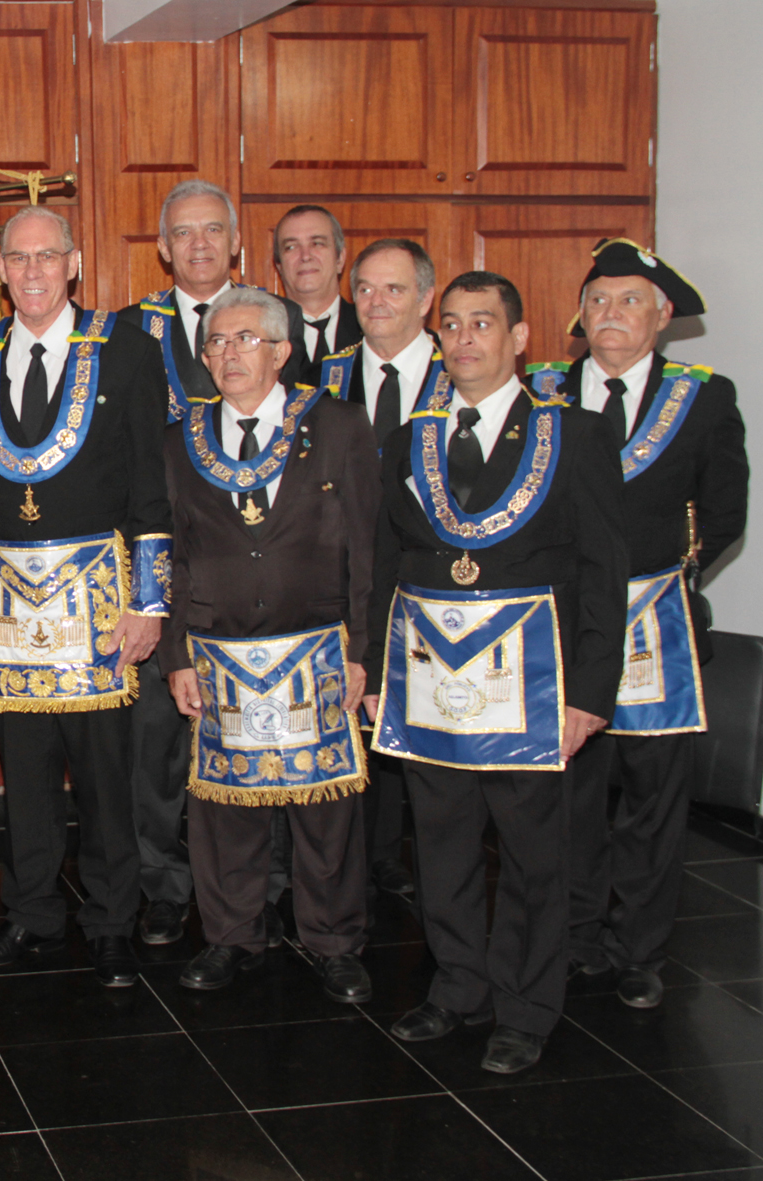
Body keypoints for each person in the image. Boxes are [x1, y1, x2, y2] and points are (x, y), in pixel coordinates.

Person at [364, 271, 626, 1075]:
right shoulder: (408, 440)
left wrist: (591, 692)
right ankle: (458, 986)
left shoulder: (574, 435)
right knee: (440, 845)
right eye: (451, 324)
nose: (464, 337)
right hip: (430, 678)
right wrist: (375, 672)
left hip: (533, 686)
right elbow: (385, 564)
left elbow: (604, 570)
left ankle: (525, 1006)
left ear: (519, 338)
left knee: (533, 854)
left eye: (483, 323)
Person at [0, 208, 171, 988]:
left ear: (74, 263)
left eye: (48, 256)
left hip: (99, 605)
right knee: (27, 775)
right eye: (18, 257)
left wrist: (149, 602)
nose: (33, 271)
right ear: (0, 269)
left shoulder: (127, 350)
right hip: (4, 606)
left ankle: (111, 923)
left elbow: (151, 485)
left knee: (106, 776)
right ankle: (32, 915)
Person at [527, 239, 748, 1008]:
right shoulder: (541, 393)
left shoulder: (703, 397)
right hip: (560, 621)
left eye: (629, 301)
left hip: (656, 621)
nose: (611, 313)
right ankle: (576, 934)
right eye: (597, 300)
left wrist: (666, 576)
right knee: (569, 791)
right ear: (579, 316)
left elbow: (723, 512)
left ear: (662, 315)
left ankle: (639, 949)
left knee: (653, 798)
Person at [162, 287, 379, 1000]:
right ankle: (231, 936)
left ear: (282, 351)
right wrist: (176, 655)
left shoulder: (338, 424)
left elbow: (366, 547)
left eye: (246, 339)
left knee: (325, 811)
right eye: (217, 342)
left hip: (316, 648)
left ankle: (334, 942)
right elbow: (176, 555)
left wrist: (363, 650)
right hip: (220, 650)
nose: (228, 353)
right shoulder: (183, 438)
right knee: (225, 811)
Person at [116, 179, 308, 950]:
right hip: (164, 566)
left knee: (266, 734)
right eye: (183, 233)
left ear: (236, 242)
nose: (198, 245)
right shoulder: (127, 330)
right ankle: (164, 884)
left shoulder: (277, 320)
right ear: (163, 248)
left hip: (261, 570)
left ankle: (271, 885)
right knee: (158, 742)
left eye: (212, 231)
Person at [319, 238, 448, 900]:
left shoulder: (461, 371)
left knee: (422, 724)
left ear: (425, 299)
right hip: (342, 573)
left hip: (431, 579)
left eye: (393, 289)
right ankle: (355, 864)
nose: (375, 301)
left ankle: (411, 861)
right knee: (353, 712)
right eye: (364, 288)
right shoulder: (324, 374)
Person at [274, 204, 360, 380]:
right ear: (279, 266)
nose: (305, 256)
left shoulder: (368, 328)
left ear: (340, 259)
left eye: (317, 243)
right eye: (291, 247)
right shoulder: (263, 337)